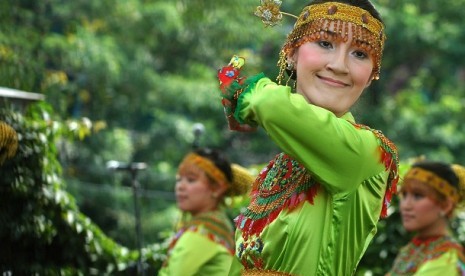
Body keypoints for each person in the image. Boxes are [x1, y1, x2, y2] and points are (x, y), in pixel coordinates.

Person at [216, 0, 399, 275]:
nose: (339, 66)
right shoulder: (277, 170)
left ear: (372, 74)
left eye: (360, 53)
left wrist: (247, 92)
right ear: (291, 53)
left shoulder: (368, 154)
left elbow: (270, 105)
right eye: (325, 43)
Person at [158, 147, 254, 276]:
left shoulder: (201, 234)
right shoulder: (216, 225)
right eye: (179, 179)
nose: (180, 186)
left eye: (191, 180)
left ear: (217, 188)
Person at [387, 161, 465, 275]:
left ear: (445, 205)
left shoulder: (445, 261)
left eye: (418, 195)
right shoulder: (413, 248)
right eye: (404, 195)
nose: (405, 205)